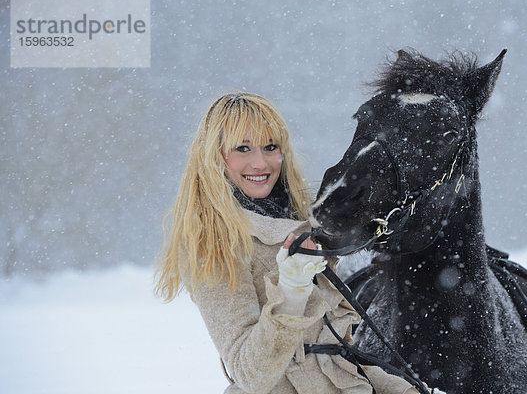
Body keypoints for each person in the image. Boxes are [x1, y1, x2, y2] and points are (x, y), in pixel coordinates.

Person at [154, 92, 441, 394]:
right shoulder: (213, 244)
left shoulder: (303, 225)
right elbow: (251, 374)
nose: (260, 162)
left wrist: (407, 390)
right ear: (216, 155)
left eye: (270, 147)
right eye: (242, 148)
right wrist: (291, 294)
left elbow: (337, 354)